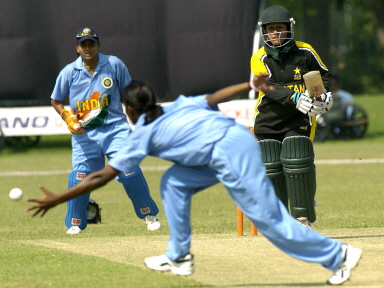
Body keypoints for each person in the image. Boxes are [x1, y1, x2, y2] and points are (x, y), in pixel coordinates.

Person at [27, 74, 361, 285]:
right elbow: (217, 97)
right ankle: (180, 256)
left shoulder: (141, 134)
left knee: (269, 220)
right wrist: (249, 85)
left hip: (229, 153)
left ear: (129, 110)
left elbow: (102, 175)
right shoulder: (175, 106)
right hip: (222, 149)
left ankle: (339, 256)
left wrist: (59, 198)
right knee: (174, 182)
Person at [50, 27, 161, 234]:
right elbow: (55, 100)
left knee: (128, 170)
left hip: (115, 129)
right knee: (80, 176)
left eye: (91, 43)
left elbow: (129, 93)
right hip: (84, 134)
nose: (88, 48)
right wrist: (67, 117)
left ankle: (148, 214)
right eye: (84, 45)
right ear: (77, 48)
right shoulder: (69, 72)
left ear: (98, 45)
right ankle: (75, 222)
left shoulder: (114, 64)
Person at [250, 5, 333, 229]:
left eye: (279, 28)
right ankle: (277, 221)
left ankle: (302, 216)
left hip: (299, 119)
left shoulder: (305, 51)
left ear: (289, 29)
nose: (275, 33)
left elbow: (322, 75)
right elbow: (267, 85)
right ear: (264, 32)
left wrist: (324, 96)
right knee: (272, 167)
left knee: (297, 159)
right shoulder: (260, 57)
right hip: (269, 118)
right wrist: (295, 98)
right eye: (270, 29)